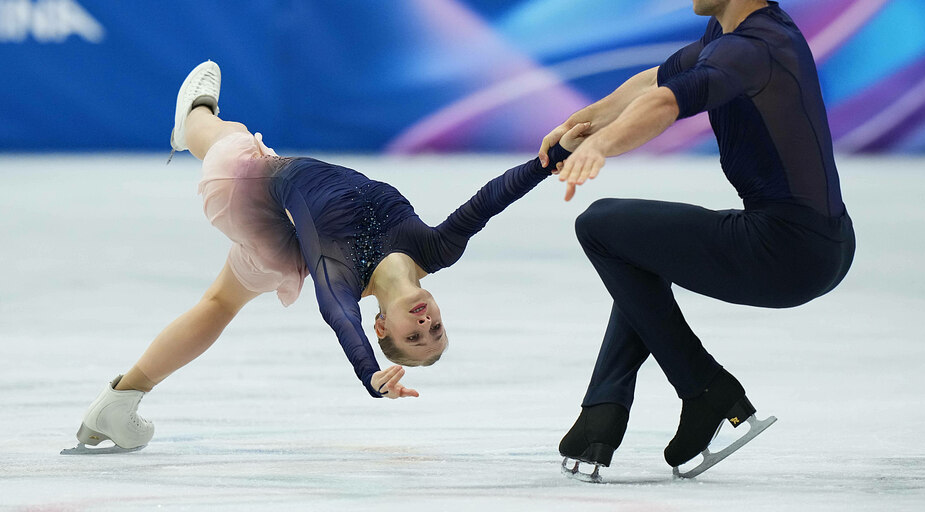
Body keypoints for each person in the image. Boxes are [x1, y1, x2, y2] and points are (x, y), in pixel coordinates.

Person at [65, 60, 585, 454]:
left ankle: (192, 121)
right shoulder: (436, 249)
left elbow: (338, 314)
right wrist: (550, 160)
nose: (425, 325)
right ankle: (120, 401)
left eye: (412, 337)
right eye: (436, 331)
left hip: (249, 192)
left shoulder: (340, 270)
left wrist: (368, 374)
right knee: (220, 303)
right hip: (282, 236)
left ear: (381, 327)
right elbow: (489, 200)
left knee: (232, 142)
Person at [539, 0, 856, 479]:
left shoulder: (751, 50)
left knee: (602, 224)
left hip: (788, 250)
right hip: (816, 240)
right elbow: (656, 79)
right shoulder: (735, 33)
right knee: (637, 249)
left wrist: (600, 147)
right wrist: (580, 120)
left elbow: (666, 103)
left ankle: (706, 387)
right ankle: (602, 414)